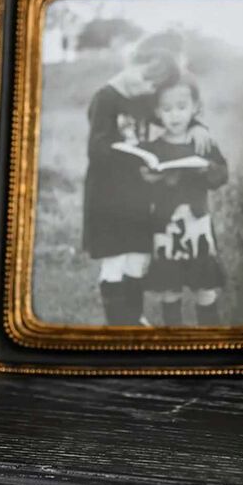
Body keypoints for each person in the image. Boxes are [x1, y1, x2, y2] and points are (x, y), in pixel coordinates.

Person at [81, 41, 210, 326]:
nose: (147, 89)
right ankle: (118, 325)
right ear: (131, 61)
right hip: (107, 196)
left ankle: (134, 318)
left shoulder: (141, 96)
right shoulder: (105, 98)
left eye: (153, 87)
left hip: (137, 193)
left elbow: (173, 118)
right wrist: (131, 154)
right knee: (115, 259)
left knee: (138, 257)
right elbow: (96, 149)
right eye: (144, 80)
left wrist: (198, 126)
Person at [140, 74, 229, 326]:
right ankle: (174, 343)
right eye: (167, 109)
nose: (175, 115)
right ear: (157, 112)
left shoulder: (202, 142)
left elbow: (222, 175)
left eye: (181, 107)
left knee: (205, 289)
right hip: (165, 229)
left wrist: (207, 169)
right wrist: (148, 179)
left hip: (197, 227)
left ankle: (211, 342)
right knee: (170, 291)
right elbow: (140, 185)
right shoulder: (152, 148)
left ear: (194, 107)